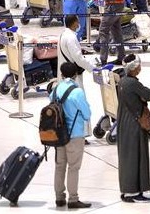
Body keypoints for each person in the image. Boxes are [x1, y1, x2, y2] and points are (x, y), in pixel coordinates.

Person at [52, 61, 93, 210]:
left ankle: (59, 197)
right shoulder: (77, 92)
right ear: (75, 74)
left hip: (58, 133)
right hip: (74, 134)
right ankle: (73, 198)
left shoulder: (56, 89)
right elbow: (87, 114)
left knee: (59, 165)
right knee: (73, 167)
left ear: (62, 74)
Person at [117, 54, 150, 203]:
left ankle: (128, 189)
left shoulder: (122, 81)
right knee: (135, 157)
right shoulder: (133, 84)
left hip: (124, 122)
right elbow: (149, 95)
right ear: (135, 68)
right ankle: (133, 192)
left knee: (127, 157)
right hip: (134, 125)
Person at [58, 15, 96, 89]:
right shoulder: (71, 38)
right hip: (71, 73)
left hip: (65, 70)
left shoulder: (63, 35)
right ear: (74, 23)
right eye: (78, 22)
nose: (79, 24)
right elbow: (78, 58)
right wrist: (92, 68)